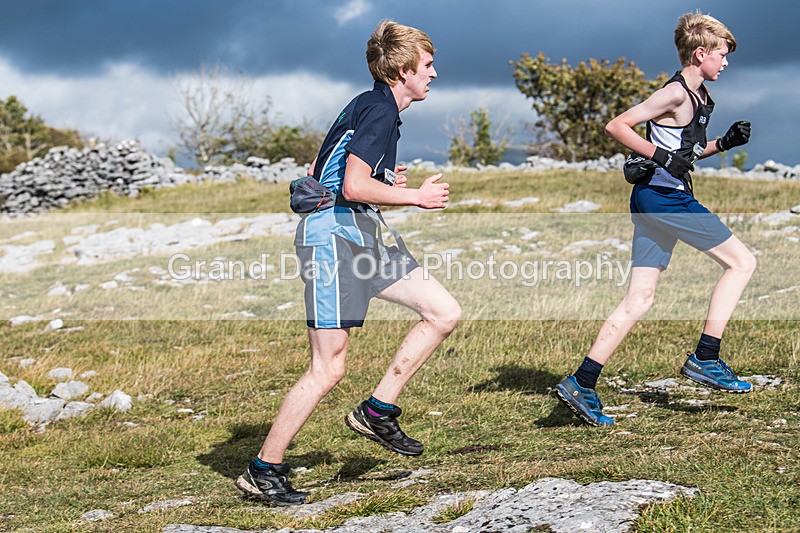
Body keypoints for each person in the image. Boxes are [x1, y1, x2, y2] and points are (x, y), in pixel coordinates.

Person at [235, 20, 461, 505]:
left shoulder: (370, 104)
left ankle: (378, 410)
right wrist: (416, 197)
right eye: (427, 65)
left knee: (443, 312)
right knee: (327, 368)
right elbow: (352, 187)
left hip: (363, 237)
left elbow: (326, 171)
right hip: (334, 241)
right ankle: (263, 468)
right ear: (402, 71)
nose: (434, 74)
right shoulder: (379, 110)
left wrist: (387, 179)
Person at [555, 11, 756, 426]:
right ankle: (707, 356)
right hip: (665, 199)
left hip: (654, 201)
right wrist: (658, 155)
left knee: (640, 299)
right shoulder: (676, 93)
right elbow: (619, 125)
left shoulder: (701, 99)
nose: (726, 62)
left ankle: (582, 382)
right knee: (742, 262)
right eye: (722, 54)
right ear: (700, 54)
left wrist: (723, 143)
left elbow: (684, 154)